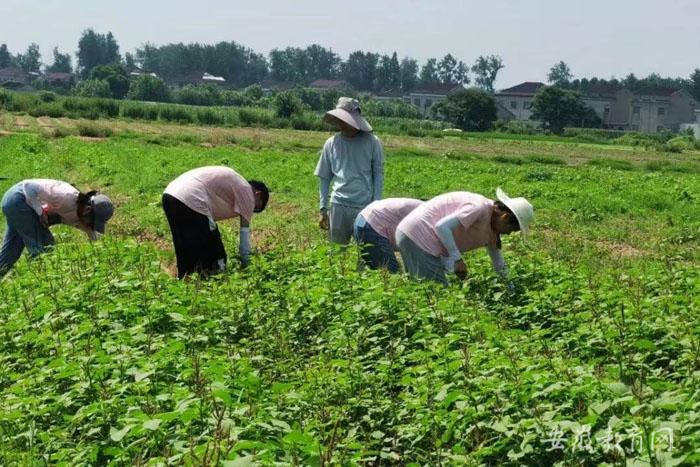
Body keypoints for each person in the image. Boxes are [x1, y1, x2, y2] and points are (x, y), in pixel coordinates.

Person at [395, 188, 533, 285]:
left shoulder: (493, 229)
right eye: (512, 229)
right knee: (436, 295)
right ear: (505, 217)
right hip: (417, 236)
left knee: (419, 289)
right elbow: (442, 227)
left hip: (412, 236)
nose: (509, 233)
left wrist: (510, 288)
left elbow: (498, 261)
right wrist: (458, 260)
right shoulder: (478, 207)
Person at [162, 166, 269, 279]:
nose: (251, 210)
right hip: (192, 198)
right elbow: (244, 238)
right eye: (256, 207)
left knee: (184, 246)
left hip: (170, 195)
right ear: (258, 194)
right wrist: (248, 266)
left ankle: (185, 282)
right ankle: (214, 281)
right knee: (216, 255)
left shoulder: (235, 184)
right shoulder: (247, 193)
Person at [0, 179, 114, 278]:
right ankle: (42, 283)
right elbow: (28, 186)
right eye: (92, 221)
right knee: (45, 248)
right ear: (88, 210)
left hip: (15, 203)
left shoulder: (78, 213)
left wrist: (105, 256)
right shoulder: (65, 196)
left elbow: (93, 233)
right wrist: (40, 213)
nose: (90, 224)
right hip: (18, 200)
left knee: (12, 250)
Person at [315, 97, 384, 245]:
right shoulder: (331, 143)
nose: (343, 124)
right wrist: (323, 208)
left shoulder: (372, 142)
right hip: (338, 205)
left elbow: (378, 174)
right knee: (337, 253)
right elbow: (324, 177)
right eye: (341, 120)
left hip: (364, 206)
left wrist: (376, 205)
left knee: (366, 254)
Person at [353, 198, 423, 273]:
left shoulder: (427, 209)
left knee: (373, 269)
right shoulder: (429, 218)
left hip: (362, 220)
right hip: (373, 224)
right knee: (391, 273)